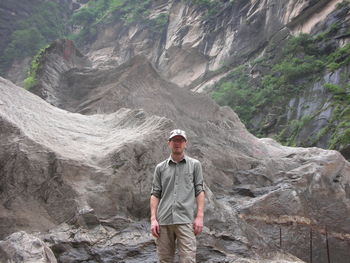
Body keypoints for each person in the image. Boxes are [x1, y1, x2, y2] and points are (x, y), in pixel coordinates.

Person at [150, 129, 205, 263]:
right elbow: (155, 193)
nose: (177, 143)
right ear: (169, 143)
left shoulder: (195, 165)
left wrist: (199, 217)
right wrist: (153, 219)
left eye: (180, 140)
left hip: (185, 220)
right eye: (174, 140)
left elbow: (199, 191)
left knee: (188, 259)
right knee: (164, 260)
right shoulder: (160, 168)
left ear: (185, 143)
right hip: (164, 221)